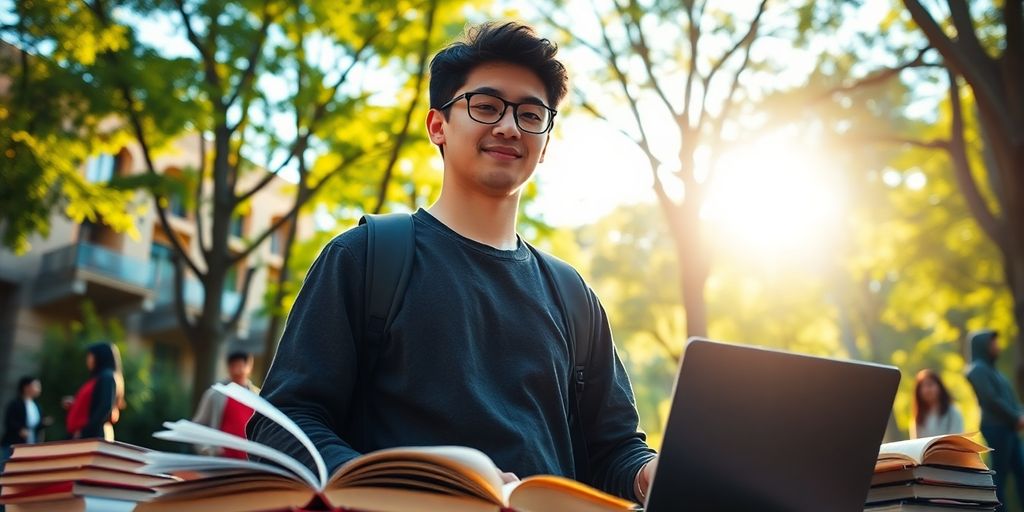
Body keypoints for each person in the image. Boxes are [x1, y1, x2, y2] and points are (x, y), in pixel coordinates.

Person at [249, 21, 658, 502]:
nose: (509, 126)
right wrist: (401, 487)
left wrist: (650, 473)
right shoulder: (365, 258)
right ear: (438, 125)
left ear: (545, 142)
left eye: (531, 114)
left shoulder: (573, 297)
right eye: (486, 106)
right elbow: (283, 424)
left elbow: (613, 449)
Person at [965, 329, 1024, 511]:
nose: (997, 347)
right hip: (996, 428)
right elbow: (991, 400)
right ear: (983, 345)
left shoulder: (994, 371)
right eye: (993, 343)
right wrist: (1016, 417)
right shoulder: (977, 370)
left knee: (1021, 472)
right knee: (1000, 477)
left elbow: (1009, 399)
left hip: (1009, 428)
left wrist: (1019, 415)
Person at [192, 351, 260, 458]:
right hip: (221, 461)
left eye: (241, 365)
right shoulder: (215, 394)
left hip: (249, 463)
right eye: (234, 366)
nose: (238, 370)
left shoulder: (258, 397)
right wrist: (206, 449)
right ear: (228, 367)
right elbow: (197, 425)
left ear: (249, 366)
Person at [64, 342, 125, 441]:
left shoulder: (107, 377)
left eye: (90, 356)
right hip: (86, 435)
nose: (88, 359)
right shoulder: (98, 377)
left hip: (92, 436)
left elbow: (105, 407)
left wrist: (85, 432)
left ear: (100, 357)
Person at [910, 369, 964, 439]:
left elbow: (957, 439)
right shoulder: (918, 417)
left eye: (930, 385)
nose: (926, 390)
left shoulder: (953, 412)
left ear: (939, 387)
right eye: (922, 387)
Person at [2, 376, 50, 455]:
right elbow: (9, 421)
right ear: (26, 387)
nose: (39, 389)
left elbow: (37, 424)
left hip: (31, 443)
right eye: (36, 386)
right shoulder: (15, 404)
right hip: (13, 443)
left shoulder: (37, 406)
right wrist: (19, 429)